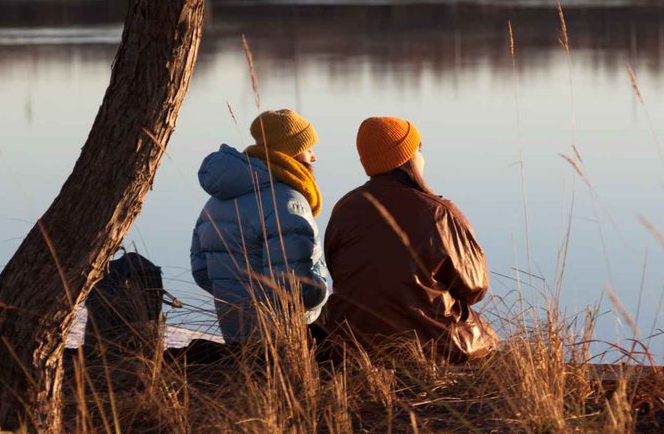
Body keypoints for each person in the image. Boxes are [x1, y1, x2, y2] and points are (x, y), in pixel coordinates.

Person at [319, 116, 496, 361]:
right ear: (408, 158)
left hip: (352, 342)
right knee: (485, 335)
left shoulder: (345, 208)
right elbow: (475, 287)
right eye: (419, 149)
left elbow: (337, 269)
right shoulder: (438, 213)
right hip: (430, 345)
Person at [190, 108, 329, 343]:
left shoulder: (216, 201)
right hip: (282, 337)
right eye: (308, 149)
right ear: (291, 154)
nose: (313, 157)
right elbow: (292, 286)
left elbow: (201, 270)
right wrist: (322, 291)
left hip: (235, 331)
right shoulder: (286, 202)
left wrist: (234, 297)